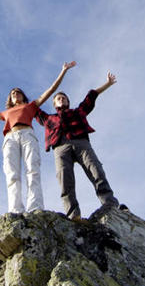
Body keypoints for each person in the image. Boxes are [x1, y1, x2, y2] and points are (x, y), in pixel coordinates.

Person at [0, 61, 76, 213]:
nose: (15, 94)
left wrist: (63, 71)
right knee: (12, 174)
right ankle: (15, 210)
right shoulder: (5, 113)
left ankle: (35, 207)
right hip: (10, 138)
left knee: (32, 170)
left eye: (18, 92)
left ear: (23, 96)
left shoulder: (30, 106)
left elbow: (51, 90)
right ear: (10, 99)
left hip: (27, 134)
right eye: (12, 93)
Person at [36, 71, 120, 221]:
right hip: (60, 147)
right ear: (54, 104)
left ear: (67, 102)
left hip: (81, 142)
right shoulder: (49, 118)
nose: (61, 99)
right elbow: (33, 109)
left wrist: (107, 84)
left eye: (63, 98)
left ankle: (110, 204)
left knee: (96, 170)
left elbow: (91, 96)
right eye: (58, 99)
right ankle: (73, 214)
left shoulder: (78, 111)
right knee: (64, 179)